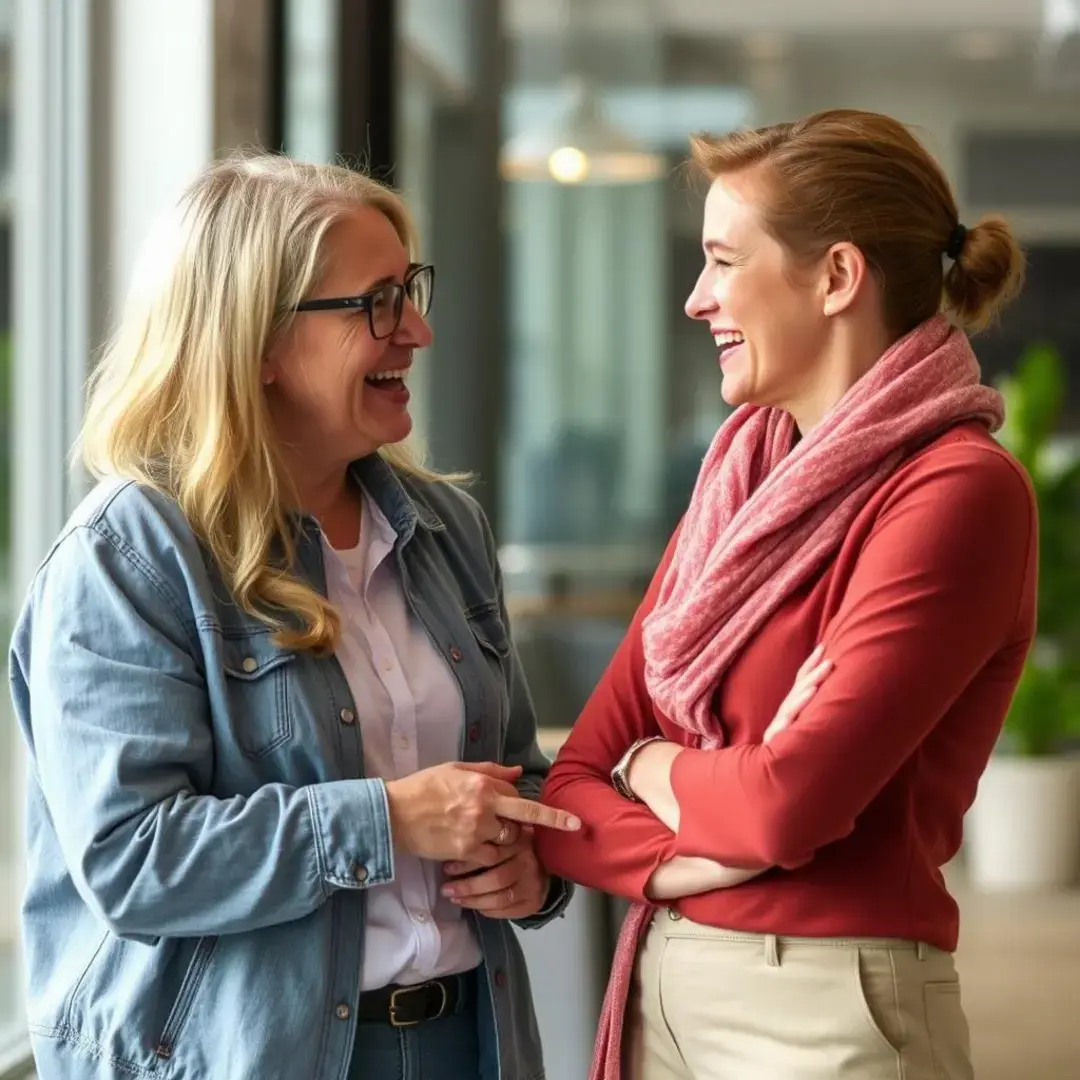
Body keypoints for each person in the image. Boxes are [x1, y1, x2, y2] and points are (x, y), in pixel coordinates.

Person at [11, 152, 580, 1080]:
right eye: (379, 302)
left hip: (467, 1039)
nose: (419, 331)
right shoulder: (128, 556)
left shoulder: (449, 529)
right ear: (260, 343)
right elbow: (129, 858)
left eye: (413, 290)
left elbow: (521, 777)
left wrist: (533, 866)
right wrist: (387, 820)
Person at [536, 108, 1036, 1080]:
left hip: (822, 1006)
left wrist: (649, 762)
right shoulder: (739, 487)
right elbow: (567, 791)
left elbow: (780, 808)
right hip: (660, 981)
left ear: (838, 276)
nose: (695, 298)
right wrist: (692, 853)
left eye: (724, 261)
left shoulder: (957, 491)